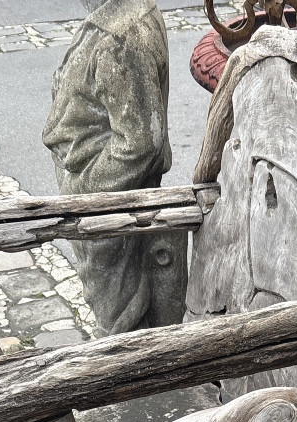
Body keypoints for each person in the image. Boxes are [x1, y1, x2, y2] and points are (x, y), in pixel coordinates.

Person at [43, 0, 187, 333]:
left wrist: (84, 190)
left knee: (121, 320)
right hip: (101, 197)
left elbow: (140, 144)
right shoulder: (115, 19)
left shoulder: (121, 36)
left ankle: (132, 379)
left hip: (109, 203)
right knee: (116, 311)